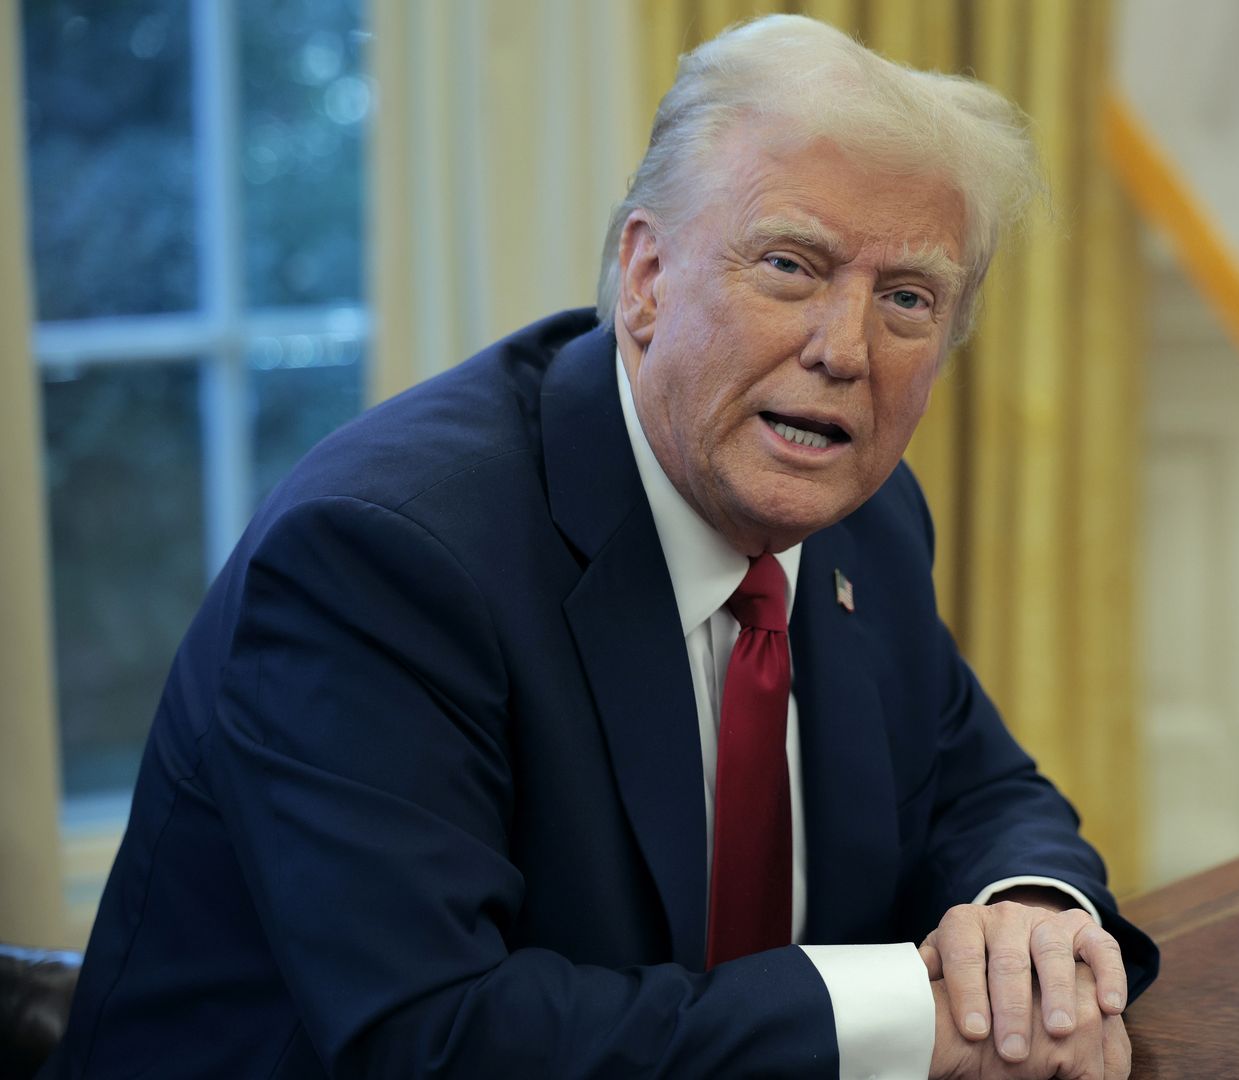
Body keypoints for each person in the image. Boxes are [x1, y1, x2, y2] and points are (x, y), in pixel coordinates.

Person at [45, 14, 1156, 1079]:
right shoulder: (384, 560)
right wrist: (905, 1013)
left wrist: (1030, 917)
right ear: (644, 279)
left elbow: (976, 786)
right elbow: (437, 1040)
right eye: (791, 266)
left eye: (908, 298)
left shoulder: (864, 514)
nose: (844, 349)